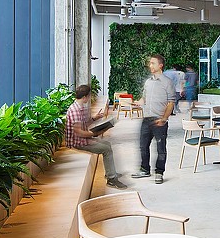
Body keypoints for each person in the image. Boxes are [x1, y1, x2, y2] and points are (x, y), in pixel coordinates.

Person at [65, 84, 127, 189]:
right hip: (79, 142)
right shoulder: (75, 110)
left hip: (83, 139)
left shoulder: (79, 107)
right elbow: (78, 132)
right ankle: (111, 179)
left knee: (107, 144)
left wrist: (95, 118)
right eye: (89, 96)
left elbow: (84, 124)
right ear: (85, 97)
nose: (89, 98)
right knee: (106, 149)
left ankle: (110, 173)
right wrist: (94, 134)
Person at [133, 54, 175, 184]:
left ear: (160, 65)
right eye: (150, 63)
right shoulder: (148, 82)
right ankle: (145, 169)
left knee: (161, 149)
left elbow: (171, 103)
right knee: (143, 146)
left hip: (159, 120)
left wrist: (164, 118)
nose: (150, 65)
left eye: (153, 63)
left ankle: (159, 173)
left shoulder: (167, 82)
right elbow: (144, 99)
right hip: (146, 119)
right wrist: (137, 102)